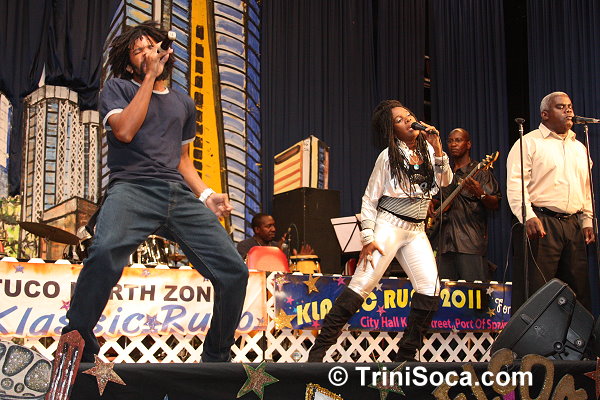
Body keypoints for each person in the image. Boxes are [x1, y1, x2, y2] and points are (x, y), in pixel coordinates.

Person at [61, 21, 248, 362]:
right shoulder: (118, 88)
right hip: (132, 188)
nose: (148, 53)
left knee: (234, 271)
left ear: (166, 51)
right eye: (139, 51)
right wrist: (148, 78)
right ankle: (78, 343)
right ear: (129, 63)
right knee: (104, 252)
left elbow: (182, 159)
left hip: (177, 194)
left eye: (152, 46)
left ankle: (217, 357)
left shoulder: (183, 103)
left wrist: (206, 195)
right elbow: (125, 132)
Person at [308, 100, 452, 362]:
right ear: (391, 130)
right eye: (399, 120)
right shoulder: (387, 157)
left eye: (408, 115)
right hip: (389, 225)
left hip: (416, 230)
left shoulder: (429, 151)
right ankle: (316, 355)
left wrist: (439, 149)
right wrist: (367, 237)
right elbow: (369, 199)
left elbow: (444, 182)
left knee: (430, 288)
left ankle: (405, 357)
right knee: (361, 285)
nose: (408, 121)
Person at [507, 91, 594, 312]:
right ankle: (530, 336)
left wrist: (587, 220)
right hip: (541, 223)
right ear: (545, 114)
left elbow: (585, 187)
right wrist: (528, 215)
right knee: (536, 292)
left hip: (573, 225)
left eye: (569, 106)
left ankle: (577, 336)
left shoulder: (579, 147)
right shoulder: (528, 142)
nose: (568, 110)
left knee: (578, 291)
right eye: (560, 107)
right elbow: (516, 183)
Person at [430, 128, 501, 281]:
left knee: (473, 292)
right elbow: (438, 201)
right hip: (443, 245)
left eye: (458, 140)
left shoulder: (480, 172)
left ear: (468, 144)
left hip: (469, 244)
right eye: (450, 141)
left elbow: (495, 203)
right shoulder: (444, 173)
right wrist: (430, 203)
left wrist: (480, 193)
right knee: (444, 293)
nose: (453, 144)